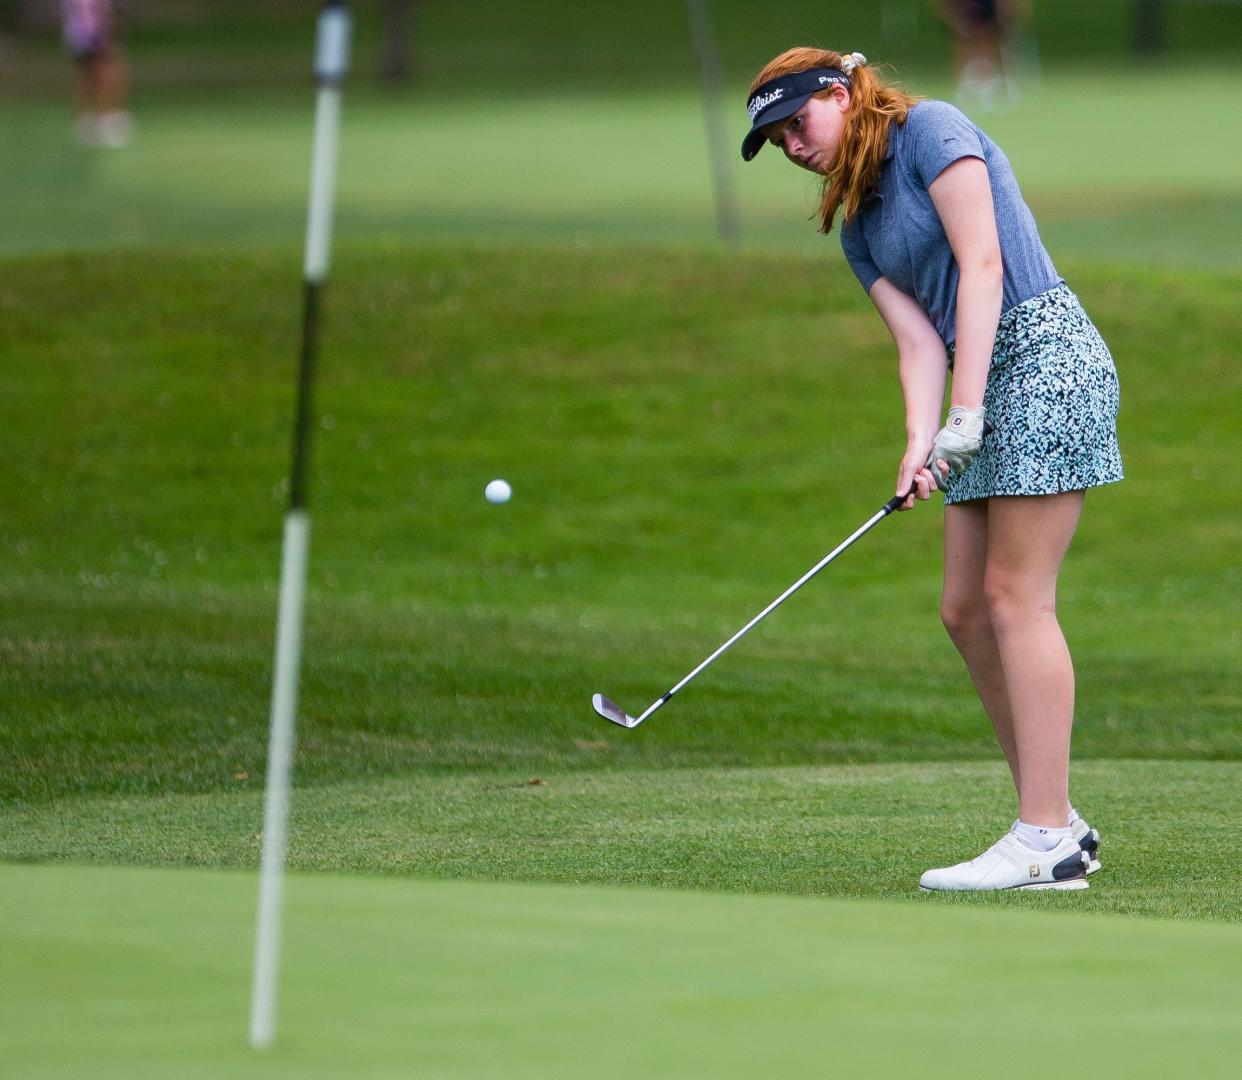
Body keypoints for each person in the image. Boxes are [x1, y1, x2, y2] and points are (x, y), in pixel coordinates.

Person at [741, 48, 1121, 891]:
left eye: (797, 123)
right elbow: (916, 340)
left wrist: (965, 411)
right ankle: (1054, 818)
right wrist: (921, 440)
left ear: (839, 95)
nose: (793, 147)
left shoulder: (931, 131)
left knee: (1015, 597)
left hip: (1045, 355)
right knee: (963, 609)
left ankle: (1044, 835)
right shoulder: (858, 227)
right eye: (776, 142)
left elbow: (983, 266)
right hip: (975, 378)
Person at [61, 0, 131, 148]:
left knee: (88, 78)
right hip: (92, 33)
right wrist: (100, 36)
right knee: (105, 76)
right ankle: (104, 122)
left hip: (82, 34)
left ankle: (87, 123)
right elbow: (94, 10)